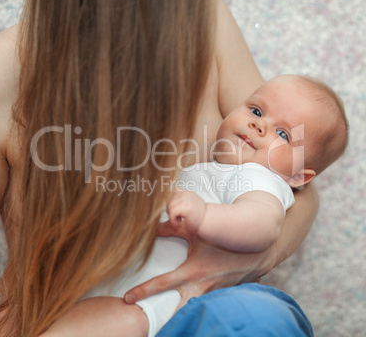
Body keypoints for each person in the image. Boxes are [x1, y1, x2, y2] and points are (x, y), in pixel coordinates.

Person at [0, 0, 320, 336]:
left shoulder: (198, 7)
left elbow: (290, 181)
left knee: (259, 319)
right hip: (84, 318)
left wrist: (250, 255)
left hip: (189, 313)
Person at [41, 75, 347, 337]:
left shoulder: (261, 178)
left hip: (160, 299)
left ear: (296, 176)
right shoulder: (212, 170)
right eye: (256, 110)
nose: (258, 125)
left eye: (283, 134)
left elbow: (263, 224)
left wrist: (204, 216)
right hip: (123, 282)